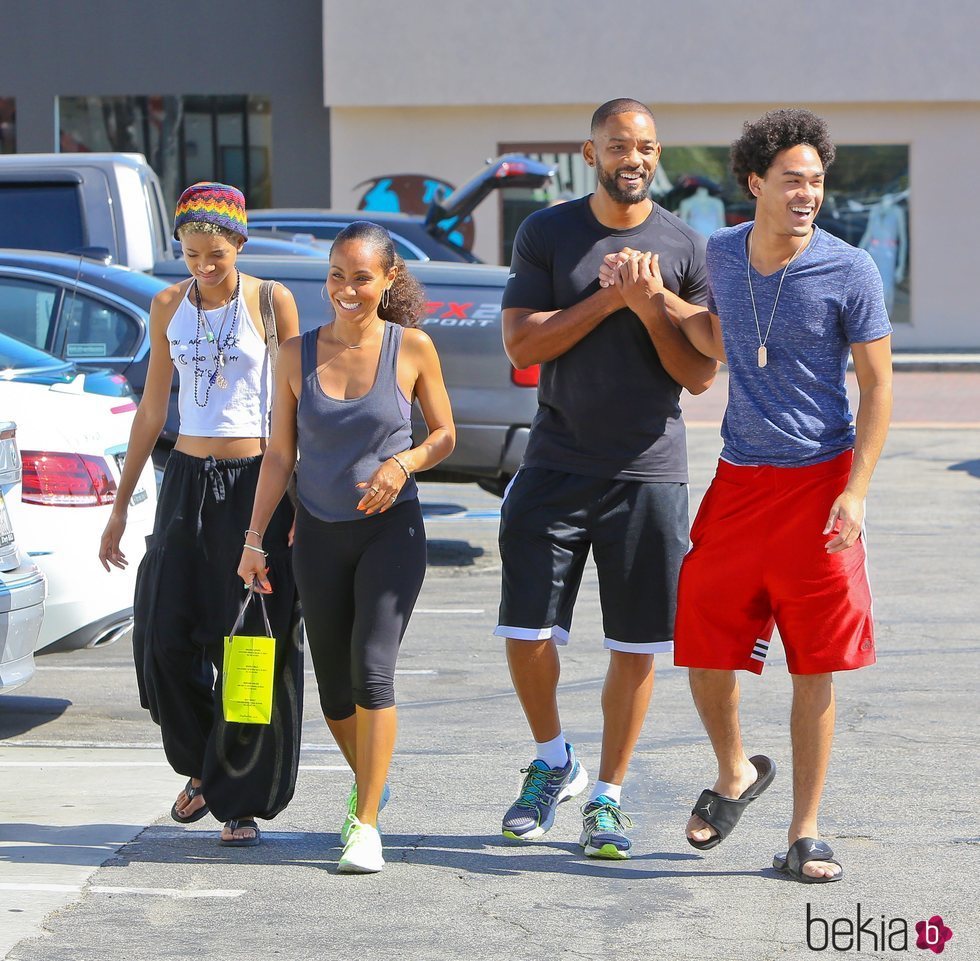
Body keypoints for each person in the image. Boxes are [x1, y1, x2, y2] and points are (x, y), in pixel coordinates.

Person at [607, 109, 893, 882]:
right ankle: (735, 770)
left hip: (822, 481)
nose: (808, 193)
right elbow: (719, 335)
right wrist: (657, 301)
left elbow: (876, 386)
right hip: (740, 481)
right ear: (756, 183)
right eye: (793, 179)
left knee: (816, 660)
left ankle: (805, 831)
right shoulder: (723, 253)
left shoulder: (850, 270)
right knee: (701, 636)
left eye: (817, 181)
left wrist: (858, 491)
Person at [496, 98, 717, 859]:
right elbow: (522, 342)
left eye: (647, 146)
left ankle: (608, 797)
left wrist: (650, 303)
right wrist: (603, 298)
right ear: (589, 153)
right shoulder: (548, 232)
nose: (635, 157)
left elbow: (698, 374)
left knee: (635, 644)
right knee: (525, 630)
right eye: (619, 144)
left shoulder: (687, 246)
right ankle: (554, 760)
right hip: (555, 461)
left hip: (648, 471)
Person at [238, 220, 455, 874]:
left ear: (388, 280)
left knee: (372, 667)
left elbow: (445, 435)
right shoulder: (295, 355)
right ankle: (371, 780)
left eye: (361, 276)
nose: (346, 288)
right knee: (334, 688)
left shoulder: (411, 347)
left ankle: (365, 822)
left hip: (392, 533)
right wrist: (254, 538)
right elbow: (279, 455)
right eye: (337, 274)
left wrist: (404, 463)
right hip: (319, 535)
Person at [99, 182, 303, 847]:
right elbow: (152, 412)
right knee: (163, 637)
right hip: (185, 479)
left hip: (256, 483)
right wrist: (122, 506)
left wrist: (297, 503)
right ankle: (206, 767)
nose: (204, 268)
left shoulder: (272, 301)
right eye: (191, 255)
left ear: (238, 244)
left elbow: (296, 408)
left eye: (215, 254)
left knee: (246, 645)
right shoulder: (167, 305)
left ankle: (234, 793)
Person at [859, 193, 907, 315]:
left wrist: (901, 266)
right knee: (870, 285)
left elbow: (903, 239)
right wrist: (857, 253)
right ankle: (871, 317)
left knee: (887, 287)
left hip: (889, 252)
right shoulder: (875, 210)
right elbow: (868, 233)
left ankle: (886, 319)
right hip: (873, 250)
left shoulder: (897, 211)